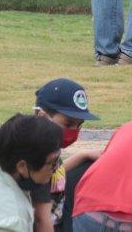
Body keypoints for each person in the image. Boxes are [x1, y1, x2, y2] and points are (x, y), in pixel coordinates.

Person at [31, 78, 103, 232]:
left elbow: (54, 174)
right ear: (42, 116)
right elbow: (39, 218)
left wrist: (82, 155)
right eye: (68, 124)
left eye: (79, 125)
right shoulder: (30, 151)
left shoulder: (49, 148)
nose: (73, 131)